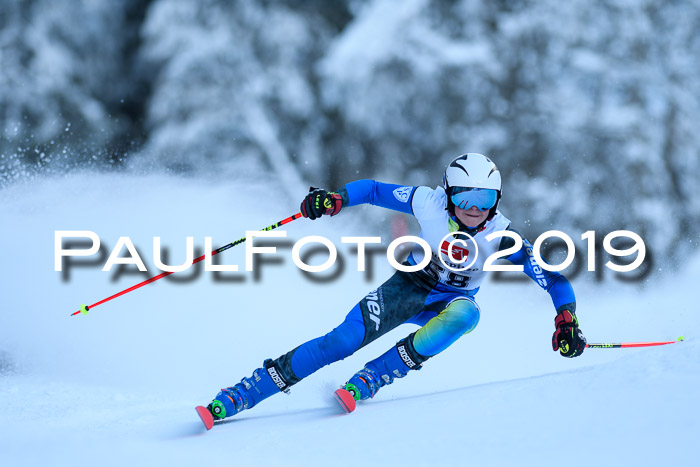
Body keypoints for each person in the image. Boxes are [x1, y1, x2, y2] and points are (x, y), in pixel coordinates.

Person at [203, 153, 586, 421]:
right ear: (448, 196)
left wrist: (566, 318)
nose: (475, 208)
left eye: (485, 199)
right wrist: (337, 200)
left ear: (497, 200)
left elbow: (552, 278)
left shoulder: (503, 236)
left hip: (448, 304)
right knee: (339, 342)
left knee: (467, 314)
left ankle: (373, 377)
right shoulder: (428, 202)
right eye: (465, 197)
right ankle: (242, 394)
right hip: (407, 286)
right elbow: (372, 189)